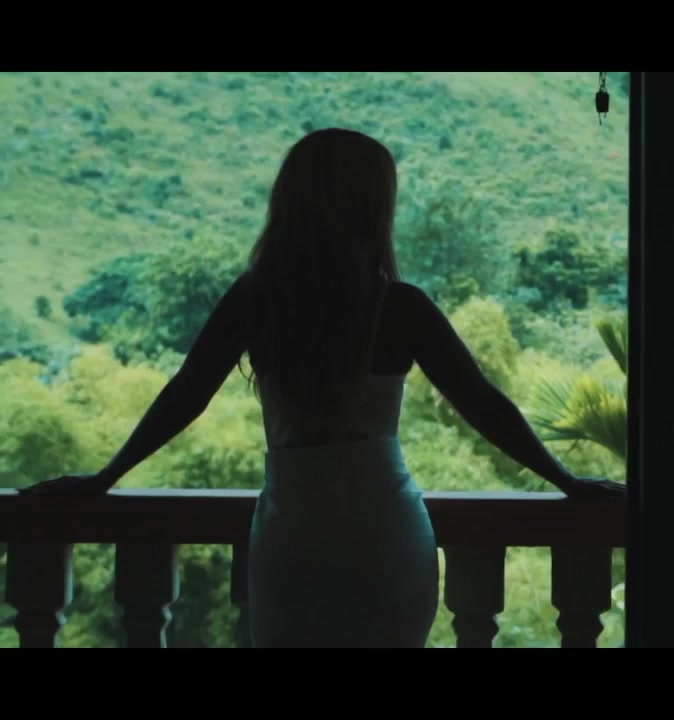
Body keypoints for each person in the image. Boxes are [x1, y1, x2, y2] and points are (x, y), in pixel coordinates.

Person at [19, 128, 626, 647]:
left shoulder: (257, 299)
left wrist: (105, 476)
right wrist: (567, 482)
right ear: (372, 207)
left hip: (293, 531)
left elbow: (186, 394)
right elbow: (483, 404)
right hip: (385, 529)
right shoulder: (401, 307)